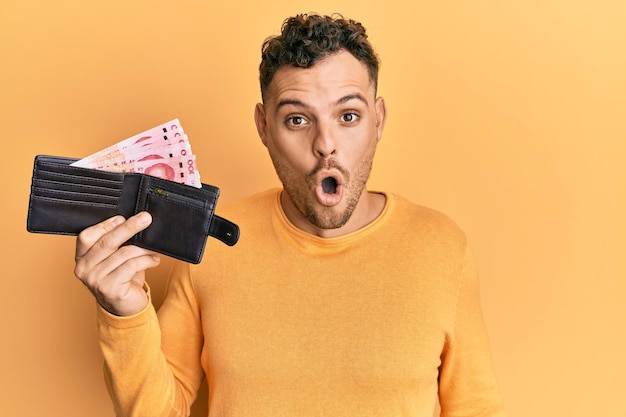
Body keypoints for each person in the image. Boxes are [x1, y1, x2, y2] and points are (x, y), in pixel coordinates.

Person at [74, 13, 507, 417]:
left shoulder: (442, 247)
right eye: (298, 119)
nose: (326, 144)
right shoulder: (213, 242)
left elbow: (475, 408)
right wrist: (124, 312)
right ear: (264, 127)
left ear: (378, 121)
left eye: (349, 116)